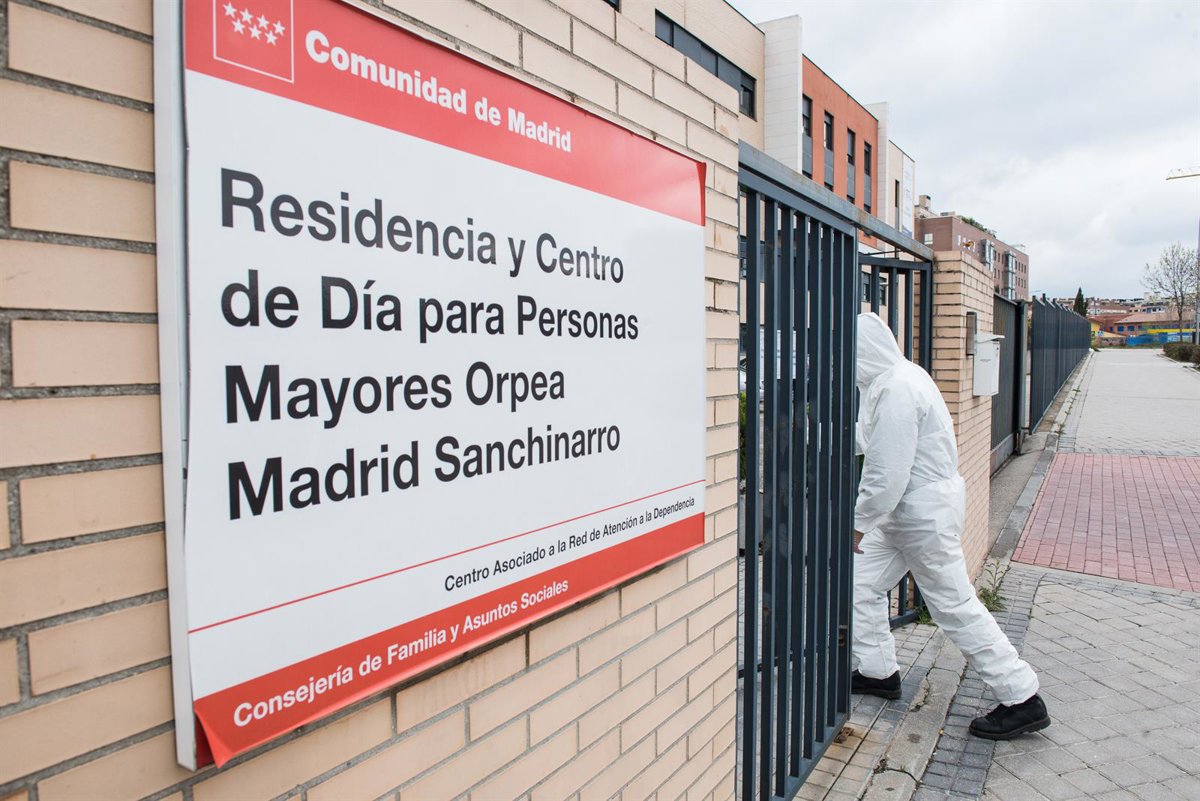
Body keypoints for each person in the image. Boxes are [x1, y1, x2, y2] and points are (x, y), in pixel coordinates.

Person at [850, 312, 1049, 740]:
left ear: (860, 350)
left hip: (919, 514)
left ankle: (1021, 696)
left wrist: (858, 523)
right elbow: (875, 439)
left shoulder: (898, 389)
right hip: (908, 514)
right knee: (859, 582)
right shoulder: (895, 378)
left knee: (953, 605)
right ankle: (877, 671)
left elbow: (887, 472)